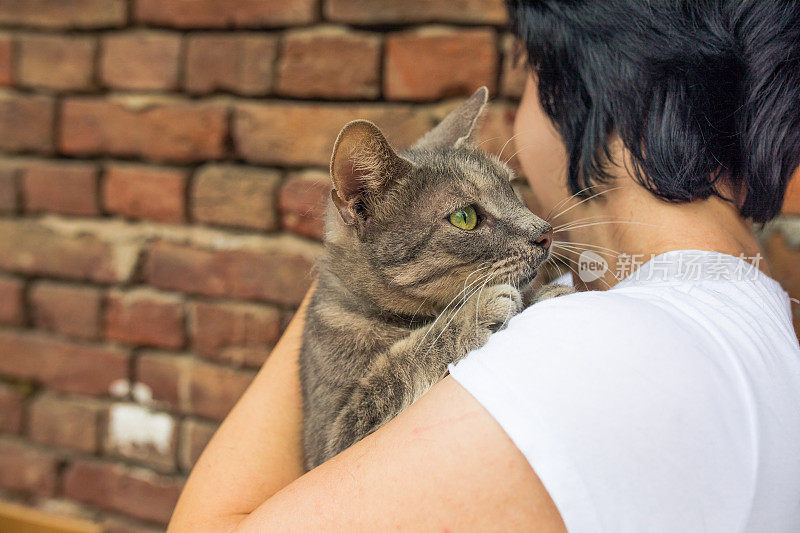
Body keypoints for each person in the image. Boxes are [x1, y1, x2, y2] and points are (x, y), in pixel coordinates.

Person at [168, 1, 800, 531]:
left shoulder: (597, 347)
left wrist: (362, 255)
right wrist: (372, 239)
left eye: (526, 74)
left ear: (584, 83)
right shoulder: (758, 328)